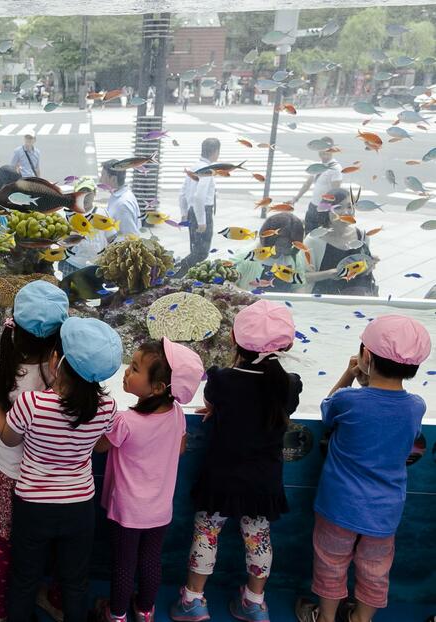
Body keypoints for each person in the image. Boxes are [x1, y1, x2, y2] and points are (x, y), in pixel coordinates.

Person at [171, 300, 303, 622]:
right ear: (286, 345)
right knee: (258, 538)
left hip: (221, 476)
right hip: (263, 480)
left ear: (233, 338)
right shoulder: (289, 385)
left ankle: (193, 599)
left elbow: (220, 403)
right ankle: (255, 602)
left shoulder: (221, 380)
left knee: (206, 532)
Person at [295, 316, 430, 622]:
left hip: (339, 505)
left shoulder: (348, 400)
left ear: (365, 357)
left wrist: (349, 373)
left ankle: (326, 617)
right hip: (385, 510)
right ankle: (361, 619)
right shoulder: (416, 406)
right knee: (375, 569)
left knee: (331, 562)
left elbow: (327, 409)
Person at [0, 317, 123, 622]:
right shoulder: (107, 407)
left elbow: (9, 438)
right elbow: (102, 446)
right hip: (78, 507)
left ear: (56, 359)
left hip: (33, 506)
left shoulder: (31, 403)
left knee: (25, 578)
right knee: (75, 582)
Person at [0, 281, 69, 622]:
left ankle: (0, 610)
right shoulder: (66, 381)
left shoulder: (6, 374)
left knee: (4, 545)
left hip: (11, 477)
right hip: (56, 485)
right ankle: (54, 598)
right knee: (54, 548)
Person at [96, 339, 204, 622]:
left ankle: (117, 614)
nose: (127, 373)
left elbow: (99, 447)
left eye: (134, 368)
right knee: (150, 559)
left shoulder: (126, 421)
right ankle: (145, 610)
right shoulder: (177, 414)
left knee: (123, 563)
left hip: (127, 510)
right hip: (159, 509)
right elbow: (180, 449)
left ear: (157, 388)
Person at [304, 189, 379, 296]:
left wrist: (370, 263)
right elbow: (302, 276)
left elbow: (364, 272)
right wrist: (328, 274)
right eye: (338, 207)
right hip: (326, 302)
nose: (346, 212)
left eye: (349, 207)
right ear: (326, 210)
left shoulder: (362, 235)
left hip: (358, 299)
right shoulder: (314, 240)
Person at [233, 212, 310, 293]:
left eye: (287, 247)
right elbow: (226, 283)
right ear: (267, 239)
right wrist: (247, 296)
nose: (281, 251)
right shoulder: (245, 255)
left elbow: (299, 287)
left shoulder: (293, 256)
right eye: (279, 246)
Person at [58, 177, 115, 278]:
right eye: (81, 192)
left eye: (88, 192)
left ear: (95, 193)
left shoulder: (102, 213)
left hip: (97, 265)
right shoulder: (68, 215)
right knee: (70, 292)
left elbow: (111, 238)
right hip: (72, 263)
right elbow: (60, 241)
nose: (85, 196)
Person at [179, 138, 220, 269]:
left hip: (192, 211)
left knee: (195, 249)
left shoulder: (194, 166)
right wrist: (202, 221)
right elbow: (199, 196)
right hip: (202, 212)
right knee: (201, 253)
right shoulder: (207, 170)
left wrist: (184, 213)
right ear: (215, 152)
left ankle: (181, 272)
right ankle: (176, 271)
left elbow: (182, 193)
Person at [289, 140, 343, 234]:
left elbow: (336, 190)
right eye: (322, 153)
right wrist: (296, 198)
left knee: (319, 235)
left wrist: (328, 208)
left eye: (327, 153)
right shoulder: (319, 166)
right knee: (308, 233)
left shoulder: (335, 168)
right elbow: (307, 183)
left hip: (324, 207)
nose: (324, 156)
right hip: (313, 205)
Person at [100, 160, 141, 240]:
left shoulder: (122, 205)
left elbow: (131, 237)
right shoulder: (117, 195)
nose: (100, 180)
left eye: (103, 175)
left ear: (113, 179)